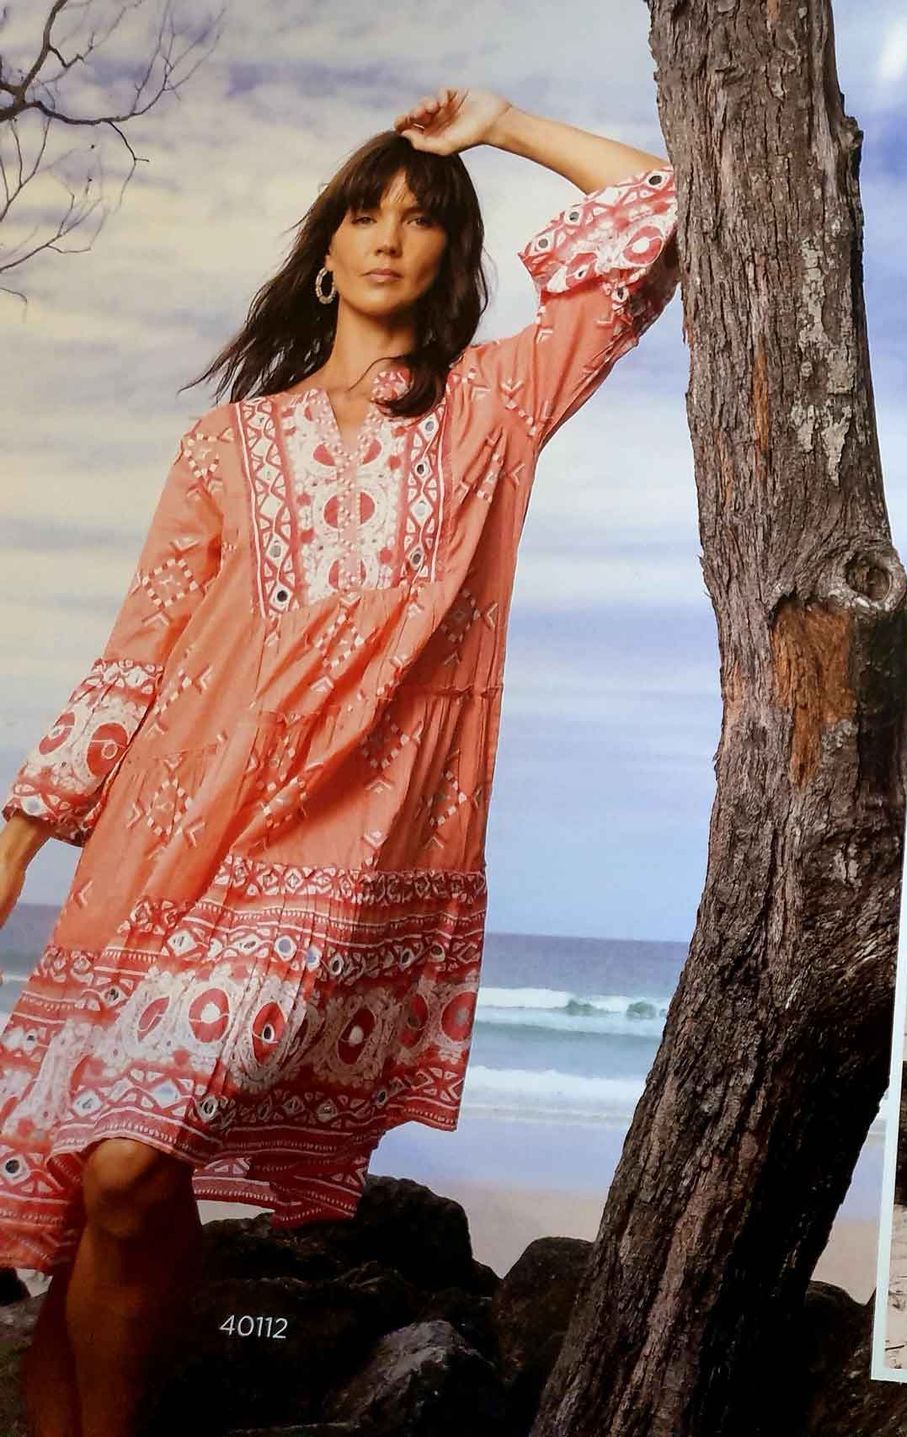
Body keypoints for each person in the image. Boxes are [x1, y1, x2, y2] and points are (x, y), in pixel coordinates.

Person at [0, 87, 680, 1436]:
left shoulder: (494, 405)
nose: (388, 236)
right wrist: (20, 833)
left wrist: (494, 125)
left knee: (132, 1165)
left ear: (454, 259)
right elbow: (139, 654)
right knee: (95, 1205)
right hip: (164, 842)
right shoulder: (225, 446)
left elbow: (658, 210)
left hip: (341, 855)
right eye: (365, 211)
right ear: (326, 247)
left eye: (423, 219)